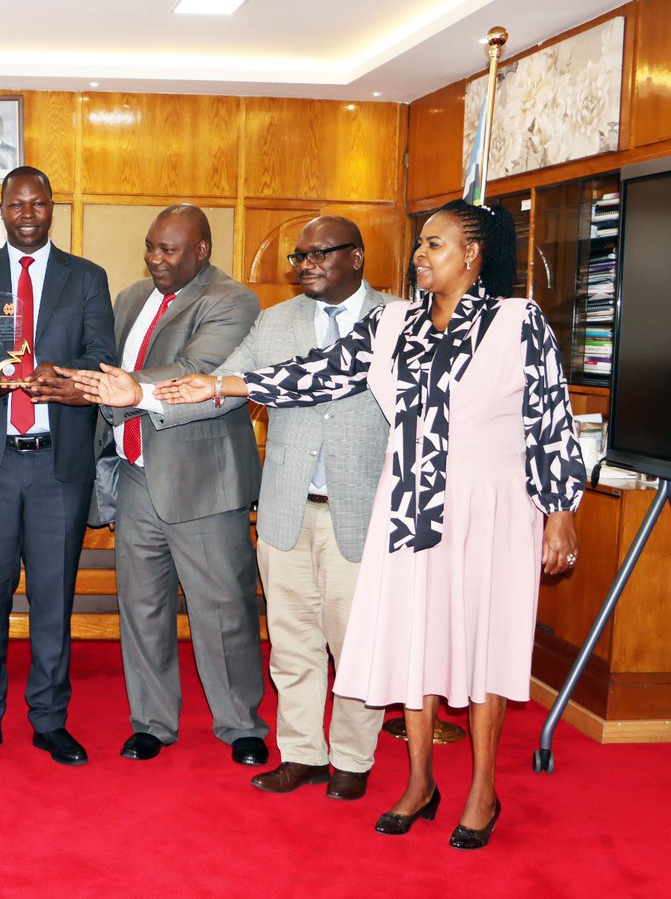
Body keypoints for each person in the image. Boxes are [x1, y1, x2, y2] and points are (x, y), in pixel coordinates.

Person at [151, 199, 586, 849]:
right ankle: (419, 783)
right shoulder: (395, 325)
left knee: (482, 648)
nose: (420, 255)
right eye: (419, 244)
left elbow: (551, 422)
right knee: (414, 644)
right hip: (408, 507)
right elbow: (313, 376)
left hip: (488, 510)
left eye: (434, 244)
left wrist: (560, 513)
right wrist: (221, 387)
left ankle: (482, 790)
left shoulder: (515, 323)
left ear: (472, 254)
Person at [68, 215, 394, 792]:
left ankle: (345, 757)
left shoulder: (396, 319)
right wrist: (132, 395)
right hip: (279, 499)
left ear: (358, 256)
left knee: (347, 639)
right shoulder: (276, 319)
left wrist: (143, 390)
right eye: (300, 257)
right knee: (288, 640)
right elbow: (225, 379)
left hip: (350, 504)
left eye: (320, 254)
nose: (307, 265)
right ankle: (296, 752)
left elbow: (209, 374)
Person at [66, 204, 269, 766]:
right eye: (151, 247)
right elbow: (105, 372)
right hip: (135, 476)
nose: (155, 259)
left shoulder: (232, 300)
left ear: (201, 250)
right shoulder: (131, 297)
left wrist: (130, 388)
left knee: (222, 610)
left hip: (203, 483)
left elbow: (194, 368)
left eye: (169, 250)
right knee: (142, 605)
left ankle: (240, 724)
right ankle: (152, 721)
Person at [0, 165, 116, 765]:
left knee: (52, 597)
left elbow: (102, 359)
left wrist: (62, 379)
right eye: (17, 205)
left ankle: (48, 717)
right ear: (3, 210)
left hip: (57, 466)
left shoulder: (86, 278)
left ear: (51, 208)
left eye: (39, 204)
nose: (28, 214)